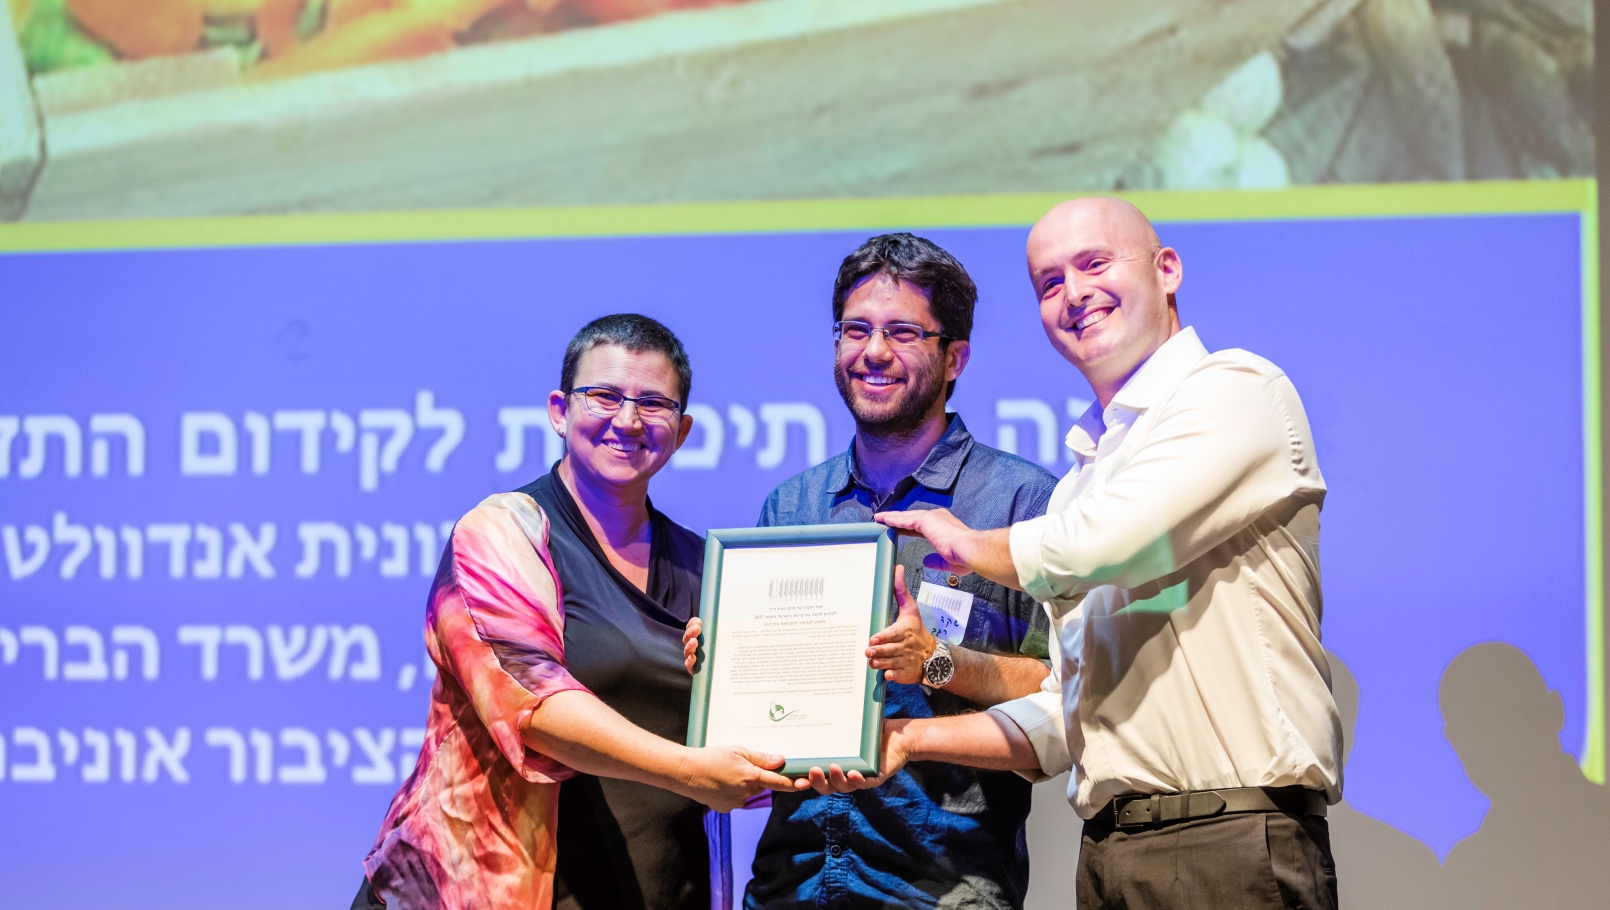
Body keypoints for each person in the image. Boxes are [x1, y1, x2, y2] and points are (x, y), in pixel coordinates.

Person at [822, 198, 1342, 910]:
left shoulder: (1235, 390)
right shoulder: (1081, 481)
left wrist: (972, 545)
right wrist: (908, 739)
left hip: (1227, 836)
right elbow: (1067, 714)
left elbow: (1109, 546)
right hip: (1113, 850)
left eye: (1094, 264)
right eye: (1049, 283)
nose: (1074, 294)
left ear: (1167, 270)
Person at [356, 314, 792, 910]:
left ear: (683, 430)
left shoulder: (705, 566)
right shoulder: (502, 531)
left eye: (654, 403)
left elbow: (746, 741)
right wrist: (691, 772)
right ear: (560, 410)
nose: (628, 420)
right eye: (605, 396)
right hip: (494, 890)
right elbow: (534, 708)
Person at [687, 233, 1059, 909]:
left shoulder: (1018, 503)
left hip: (942, 887)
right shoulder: (793, 506)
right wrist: (720, 671)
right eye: (855, 330)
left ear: (955, 358)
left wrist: (937, 663)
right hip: (790, 882)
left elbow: (1056, 691)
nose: (873, 352)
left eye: (902, 332)